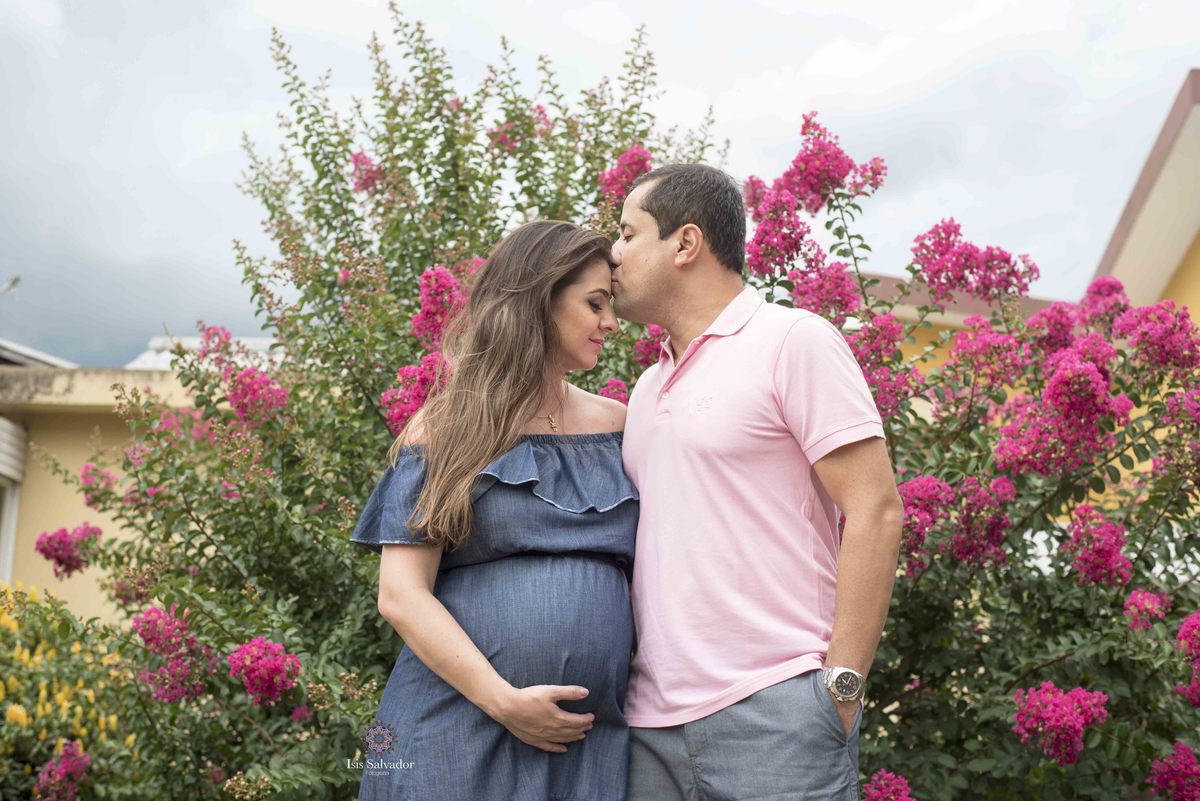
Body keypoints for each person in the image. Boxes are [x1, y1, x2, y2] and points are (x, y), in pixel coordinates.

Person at [610, 163, 905, 800]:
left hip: (775, 716)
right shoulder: (647, 387)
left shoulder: (792, 340)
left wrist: (841, 689)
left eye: (628, 234)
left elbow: (876, 511)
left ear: (686, 243)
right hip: (648, 730)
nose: (614, 253)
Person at [349, 220, 638, 801]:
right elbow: (400, 594)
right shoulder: (446, 428)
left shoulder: (619, 426)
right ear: (539, 300)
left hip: (587, 744)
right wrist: (503, 701)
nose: (611, 323)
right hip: (456, 727)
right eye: (595, 303)